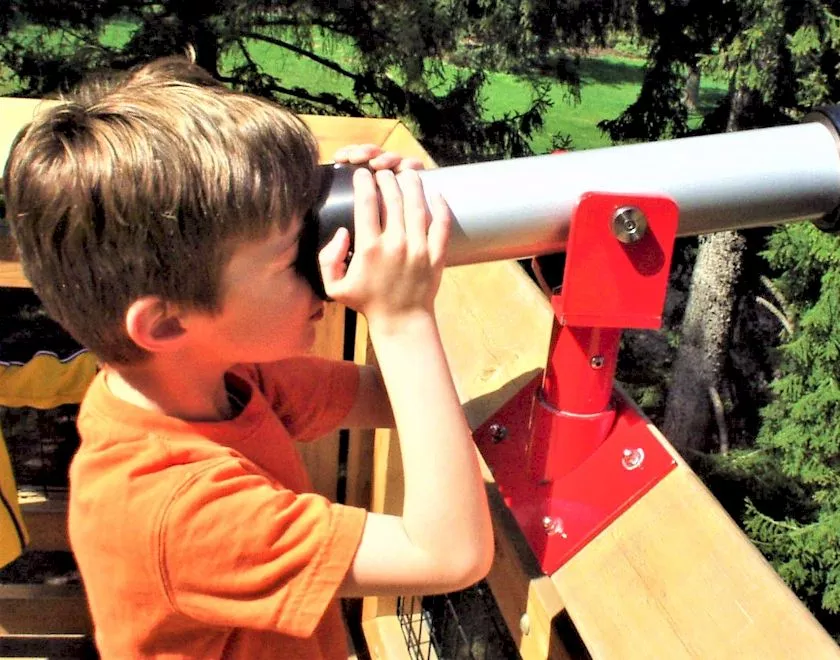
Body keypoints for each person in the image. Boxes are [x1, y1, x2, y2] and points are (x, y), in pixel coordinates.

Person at [2, 54, 493, 659]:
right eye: (295, 252)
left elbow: (401, 401)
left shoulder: (216, 378)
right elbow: (449, 554)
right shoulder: (176, 509)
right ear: (165, 321)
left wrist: (378, 211)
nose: (321, 264)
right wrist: (402, 317)